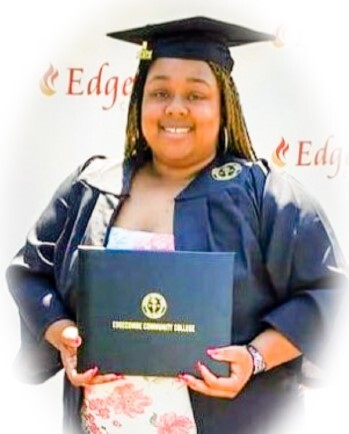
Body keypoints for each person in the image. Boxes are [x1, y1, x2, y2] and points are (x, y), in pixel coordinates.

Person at [6, 15, 347, 434]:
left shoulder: (265, 196)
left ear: (224, 105)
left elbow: (329, 294)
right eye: (160, 91)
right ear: (139, 102)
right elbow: (32, 274)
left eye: (196, 94)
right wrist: (65, 337)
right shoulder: (92, 186)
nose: (175, 108)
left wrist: (256, 357)